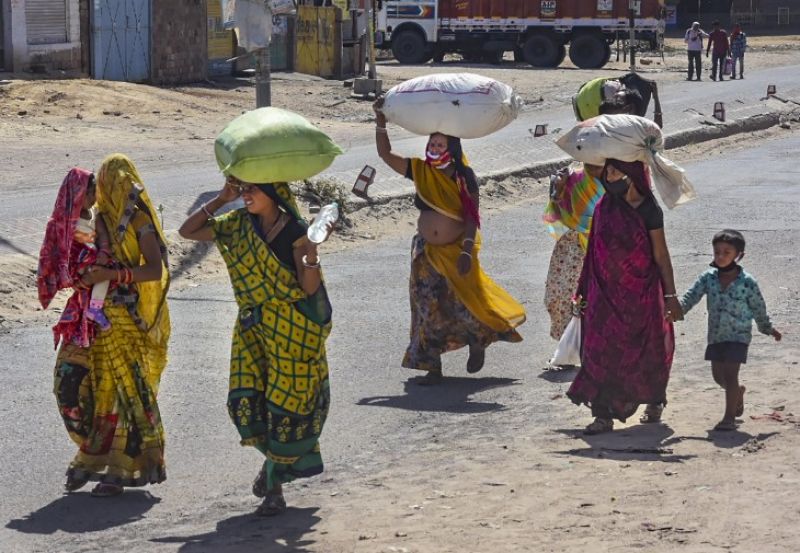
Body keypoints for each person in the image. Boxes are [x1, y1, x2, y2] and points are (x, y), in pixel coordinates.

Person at [179, 177, 334, 516]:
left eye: (253, 189)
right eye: (243, 188)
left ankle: (274, 486)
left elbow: (309, 289)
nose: (246, 194)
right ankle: (273, 465)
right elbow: (188, 232)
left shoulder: (295, 229)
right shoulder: (237, 225)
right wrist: (221, 198)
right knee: (246, 402)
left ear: (274, 193)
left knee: (284, 409)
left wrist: (311, 253)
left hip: (292, 331)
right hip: (253, 329)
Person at [373, 98, 526, 385]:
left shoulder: (463, 176)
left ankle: (478, 341)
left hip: (458, 251)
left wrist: (467, 251)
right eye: (432, 144)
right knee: (426, 305)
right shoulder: (419, 170)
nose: (434, 148)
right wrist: (380, 122)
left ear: (452, 148)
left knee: (465, 302)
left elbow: (472, 217)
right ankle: (432, 366)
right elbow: (385, 155)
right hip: (426, 252)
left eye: (441, 145)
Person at [46, 154, 171, 496]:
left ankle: (115, 469)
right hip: (86, 318)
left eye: (122, 180)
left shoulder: (139, 220)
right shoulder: (97, 219)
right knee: (67, 385)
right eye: (112, 181)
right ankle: (93, 451)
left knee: (118, 396)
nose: (118, 188)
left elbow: (154, 271)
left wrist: (111, 275)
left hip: (124, 320)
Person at [566, 159, 680, 435]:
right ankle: (602, 415)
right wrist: (581, 291)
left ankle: (654, 399)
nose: (610, 176)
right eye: (609, 171)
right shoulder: (605, 206)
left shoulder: (649, 210)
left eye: (617, 171)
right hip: (602, 296)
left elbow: (660, 255)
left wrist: (671, 295)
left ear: (632, 174)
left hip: (640, 297)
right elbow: (593, 251)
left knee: (646, 351)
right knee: (598, 352)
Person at [674, 230, 782, 431]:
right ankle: (737, 393)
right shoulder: (708, 278)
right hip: (716, 335)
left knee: (731, 375)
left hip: (739, 336)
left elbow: (759, 307)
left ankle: (729, 418)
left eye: (726, 252)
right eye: (717, 252)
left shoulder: (747, 282)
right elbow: (691, 296)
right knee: (718, 377)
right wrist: (675, 311)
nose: (721, 256)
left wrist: (768, 328)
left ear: (739, 255)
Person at [38, 169, 114, 350]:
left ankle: (94, 307)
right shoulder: (65, 220)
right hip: (77, 264)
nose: (94, 198)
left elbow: (101, 234)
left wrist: (103, 250)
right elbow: (62, 250)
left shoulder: (94, 213)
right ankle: (94, 309)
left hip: (93, 258)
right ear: (79, 194)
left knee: (106, 271)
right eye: (91, 194)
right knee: (102, 273)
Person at [542, 163, 604, 355]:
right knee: (559, 295)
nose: (592, 163)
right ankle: (573, 344)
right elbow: (556, 216)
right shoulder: (574, 179)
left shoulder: (617, 178)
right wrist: (557, 190)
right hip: (573, 245)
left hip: (605, 245)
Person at [573, 73, 663, 128]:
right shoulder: (610, 110)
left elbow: (657, 127)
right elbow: (657, 127)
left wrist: (656, 99)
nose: (615, 99)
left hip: (583, 105)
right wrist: (656, 99)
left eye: (618, 100)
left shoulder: (630, 124)